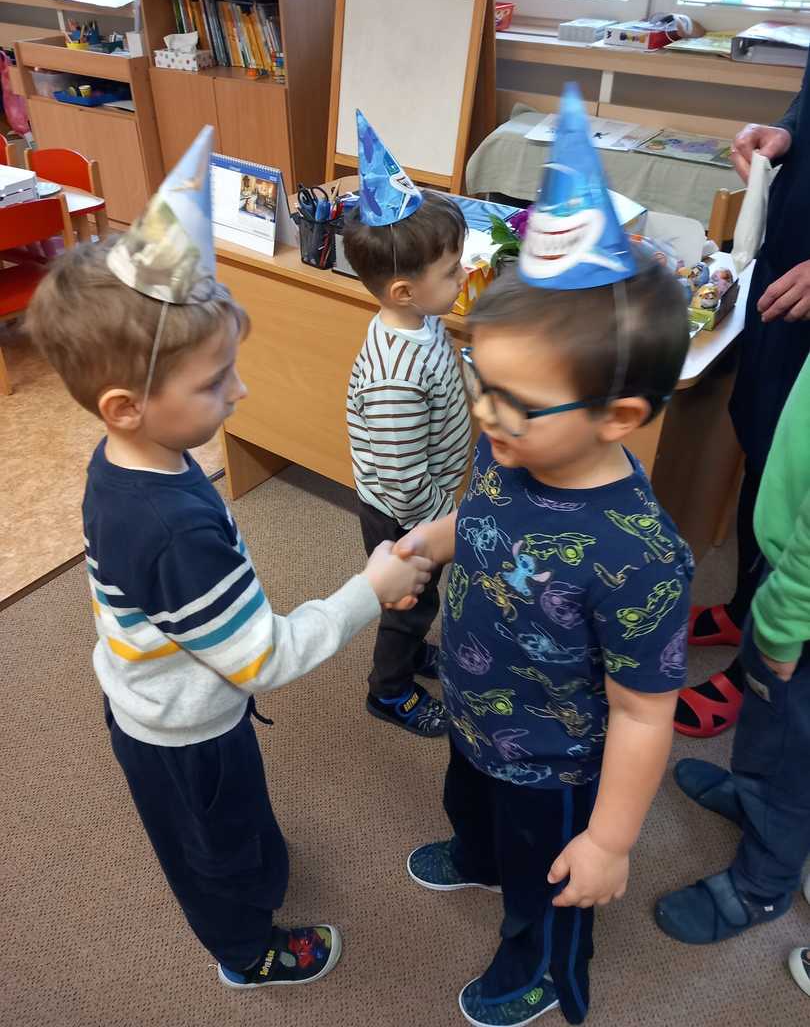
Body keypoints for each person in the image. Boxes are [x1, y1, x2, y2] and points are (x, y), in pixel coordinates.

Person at [26, 127, 432, 990]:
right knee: (216, 848)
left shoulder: (133, 459)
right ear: (125, 405)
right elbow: (264, 656)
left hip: (175, 692)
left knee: (230, 826)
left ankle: (250, 880)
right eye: (215, 382)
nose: (239, 391)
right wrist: (370, 587)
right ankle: (246, 952)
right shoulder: (169, 528)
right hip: (185, 729)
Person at [395, 86, 693, 1027]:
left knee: (549, 879)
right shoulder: (510, 443)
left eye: (513, 401)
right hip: (474, 708)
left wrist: (610, 840)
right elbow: (483, 519)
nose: (484, 412)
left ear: (619, 417)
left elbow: (644, 713)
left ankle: (543, 968)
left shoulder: (640, 555)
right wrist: (433, 541)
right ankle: (477, 856)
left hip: (555, 763)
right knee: (472, 807)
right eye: (481, 382)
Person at [655, 351, 810, 947]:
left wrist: (784, 617)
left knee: (795, 749)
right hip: (789, 560)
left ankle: (762, 884)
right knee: (767, 714)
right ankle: (752, 797)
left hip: (800, 597)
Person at [676, 51, 810, 738]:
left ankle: (765, 665)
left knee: (802, 491)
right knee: (764, 437)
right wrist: (787, 132)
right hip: (789, 267)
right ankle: (745, 606)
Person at [343, 111, 471, 738]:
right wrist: (443, 523)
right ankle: (388, 690)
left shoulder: (421, 320)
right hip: (406, 511)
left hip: (426, 499)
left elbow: (444, 367)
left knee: (421, 600)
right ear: (402, 290)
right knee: (407, 602)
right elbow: (399, 476)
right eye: (452, 271)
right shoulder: (395, 375)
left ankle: (412, 651)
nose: (463, 275)